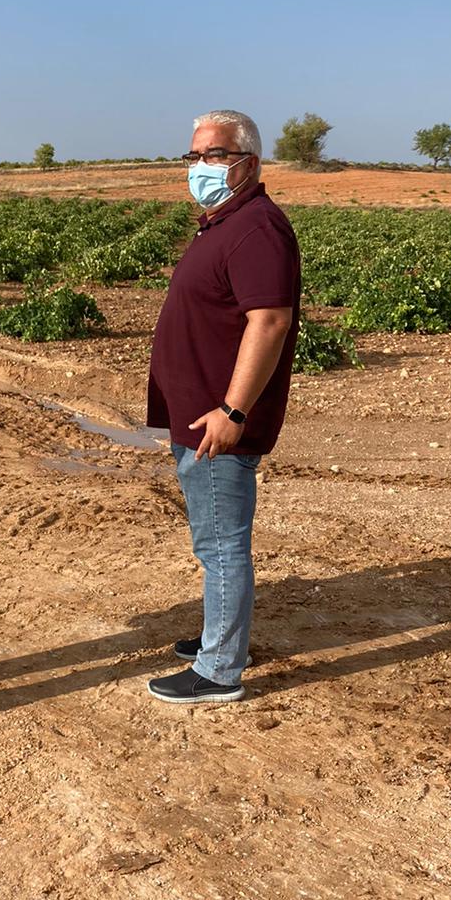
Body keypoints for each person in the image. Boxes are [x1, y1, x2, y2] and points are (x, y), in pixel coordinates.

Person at [146, 110, 300, 704]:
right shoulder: (225, 223)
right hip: (200, 415)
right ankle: (220, 637)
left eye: (214, 155)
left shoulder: (258, 228)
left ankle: (218, 670)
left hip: (219, 422)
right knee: (214, 539)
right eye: (194, 157)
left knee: (221, 544)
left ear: (249, 164)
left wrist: (233, 411)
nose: (200, 167)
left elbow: (270, 320)